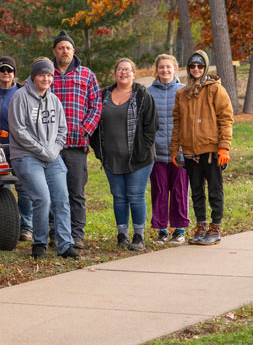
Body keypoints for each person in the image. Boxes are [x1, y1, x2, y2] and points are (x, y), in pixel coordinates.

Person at [8, 58, 78, 259]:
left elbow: (62, 130)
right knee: (43, 198)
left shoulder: (54, 100)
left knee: (62, 199)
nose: (46, 79)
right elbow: (18, 131)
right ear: (33, 77)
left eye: (49, 75)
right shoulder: (20, 97)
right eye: (42, 75)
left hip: (52, 156)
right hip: (27, 156)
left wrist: (53, 151)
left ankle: (65, 245)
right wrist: (43, 151)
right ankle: (39, 243)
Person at [90, 58, 158, 251]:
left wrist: (142, 150)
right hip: (112, 157)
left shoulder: (142, 96)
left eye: (128, 70)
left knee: (135, 195)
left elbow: (151, 127)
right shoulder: (103, 96)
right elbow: (94, 124)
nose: (124, 73)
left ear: (134, 74)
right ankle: (122, 234)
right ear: (115, 73)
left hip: (139, 158)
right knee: (119, 196)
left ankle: (138, 235)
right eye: (120, 69)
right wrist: (98, 149)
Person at [171, 50, 233, 245]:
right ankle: (201, 226)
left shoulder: (215, 89)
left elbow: (226, 118)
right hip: (190, 152)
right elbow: (177, 122)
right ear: (188, 69)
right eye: (192, 66)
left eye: (199, 66)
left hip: (211, 150)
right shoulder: (182, 93)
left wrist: (224, 147)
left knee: (215, 189)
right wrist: (175, 149)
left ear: (205, 67)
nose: (196, 69)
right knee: (196, 190)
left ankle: (215, 226)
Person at [50, 30, 102, 249]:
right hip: (50, 145)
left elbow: (96, 105)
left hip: (76, 144)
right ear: (54, 51)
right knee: (52, 191)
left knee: (76, 192)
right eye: (61, 47)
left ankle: (77, 233)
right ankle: (54, 232)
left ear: (74, 51)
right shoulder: (44, 73)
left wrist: (85, 130)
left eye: (68, 47)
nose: (64, 51)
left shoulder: (86, 75)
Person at [147, 54, 188, 244]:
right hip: (156, 153)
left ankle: (179, 229)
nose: (165, 70)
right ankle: (162, 230)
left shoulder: (184, 91)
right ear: (156, 70)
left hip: (178, 153)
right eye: (161, 67)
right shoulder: (148, 93)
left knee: (179, 191)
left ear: (175, 69)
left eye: (168, 67)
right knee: (159, 191)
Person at [0, 56, 32, 243]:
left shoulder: (22, 93)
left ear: (14, 73)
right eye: (2, 70)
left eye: (9, 70)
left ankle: (26, 227)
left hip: (18, 147)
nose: (6, 73)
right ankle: (8, 225)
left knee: (23, 188)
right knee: (2, 188)